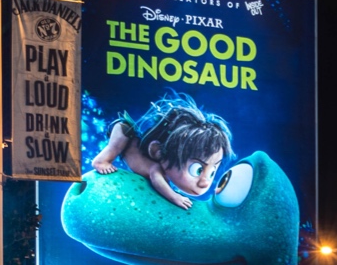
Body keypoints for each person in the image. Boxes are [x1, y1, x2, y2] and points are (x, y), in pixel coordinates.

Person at [91, 89, 233, 209]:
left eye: (212, 172)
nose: (205, 183)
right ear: (157, 151)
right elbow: (158, 183)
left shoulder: (163, 172)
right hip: (123, 128)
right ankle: (101, 161)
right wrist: (175, 197)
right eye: (197, 170)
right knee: (117, 144)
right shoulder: (156, 170)